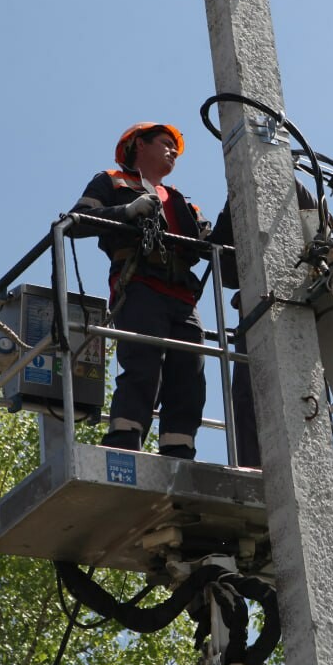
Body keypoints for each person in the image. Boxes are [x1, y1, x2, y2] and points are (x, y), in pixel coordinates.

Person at [71, 122, 211, 460]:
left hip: (182, 298)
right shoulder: (112, 182)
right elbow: (77, 221)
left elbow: (210, 244)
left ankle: (179, 449)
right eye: (165, 142)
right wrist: (126, 212)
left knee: (189, 376)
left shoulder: (180, 202)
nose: (173, 150)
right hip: (139, 286)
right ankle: (124, 440)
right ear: (139, 145)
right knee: (144, 365)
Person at [208, 180, 321, 468]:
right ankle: (254, 469)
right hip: (258, 315)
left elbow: (320, 242)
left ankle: (282, 467)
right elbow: (226, 269)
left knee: (289, 399)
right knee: (249, 399)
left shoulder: (294, 189)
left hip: (296, 314)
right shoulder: (240, 192)